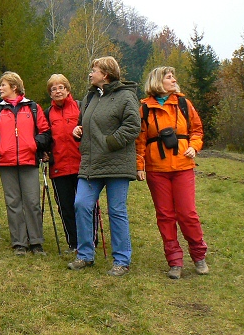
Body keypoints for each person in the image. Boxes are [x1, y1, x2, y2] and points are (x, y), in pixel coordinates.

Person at [69, 56, 140, 276]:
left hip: (117, 164)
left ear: (106, 74)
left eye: (94, 70)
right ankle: (85, 255)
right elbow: (84, 123)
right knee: (81, 204)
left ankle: (122, 260)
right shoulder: (90, 96)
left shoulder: (126, 96)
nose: (91, 74)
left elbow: (133, 126)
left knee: (116, 211)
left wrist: (111, 142)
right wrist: (78, 131)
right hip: (91, 164)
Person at [136, 66, 208, 279]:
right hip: (157, 170)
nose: (174, 80)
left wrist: (194, 146)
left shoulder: (184, 103)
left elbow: (197, 130)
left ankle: (198, 256)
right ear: (158, 81)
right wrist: (139, 166)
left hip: (183, 166)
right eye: (169, 77)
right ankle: (174, 261)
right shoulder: (144, 108)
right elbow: (139, 140)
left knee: (188, 214)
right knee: (165, 216)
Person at [0, 71, 51, 256]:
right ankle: (19, 242)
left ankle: (36, 242)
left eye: (3, 85)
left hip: (29, 162)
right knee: (13, 203)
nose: (0, 88)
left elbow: (45, 132)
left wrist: (33, 144)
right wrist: (1, 147)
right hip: (6, 163)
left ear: (14, 87)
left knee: (32, 202)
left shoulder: (33, 108)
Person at [43, 74, 98, 254]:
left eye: (61, 88)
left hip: (82, 164)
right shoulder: (46, 114)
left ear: (68, 89)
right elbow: (43, 137)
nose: (57, 91)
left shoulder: (81, 107)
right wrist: (42, 152)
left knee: (87, 205)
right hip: (58, 167)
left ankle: (91, 240)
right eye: (53, 89)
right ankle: (73, 243)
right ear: (50, 94)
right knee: (66, 207)